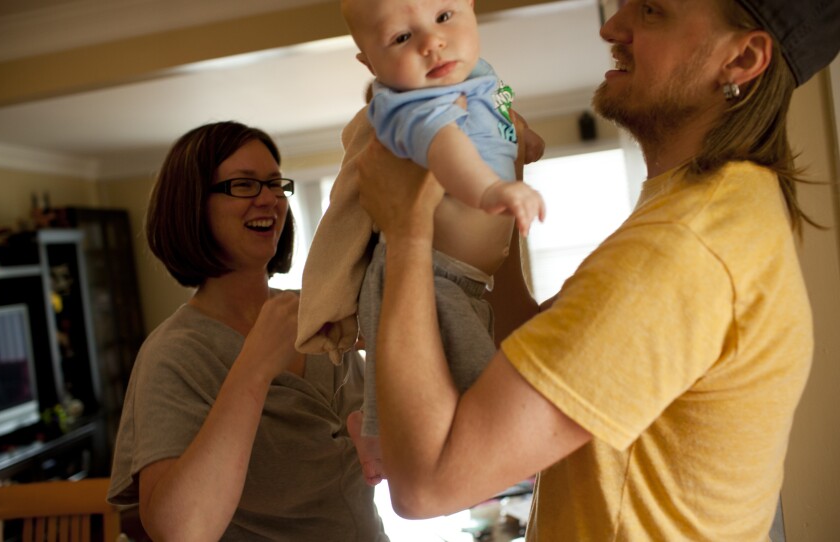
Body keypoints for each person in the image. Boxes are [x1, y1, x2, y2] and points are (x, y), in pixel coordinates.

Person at [357, 0, 840, 539]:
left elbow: (427, 487)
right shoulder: (711, 210)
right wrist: (492, 206)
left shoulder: (679, 248)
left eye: (653, 10)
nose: (612, 25)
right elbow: (526, 357)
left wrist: (405, 231)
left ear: (743, 58)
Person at [296, 0, 545, 477]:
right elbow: (445, 148)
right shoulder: (406, 106)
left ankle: (374, 431)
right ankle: (427, 446)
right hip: (424, 273)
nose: (431, 41)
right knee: (472, 378)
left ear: (472, 10)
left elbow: (502, 96)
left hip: (467, 277)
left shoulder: (480, 76)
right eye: (401, 38)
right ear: (371, 62)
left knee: (421, 375)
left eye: (444, 17)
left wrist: (521, 128)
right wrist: (493, 187)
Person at [107, 121, 387, 541]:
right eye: (244, 185)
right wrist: (254, 368)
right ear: (192, 204)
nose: (270, 200)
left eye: (275, 185)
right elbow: (179, 530)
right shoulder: (175, 353)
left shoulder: (318, 312)